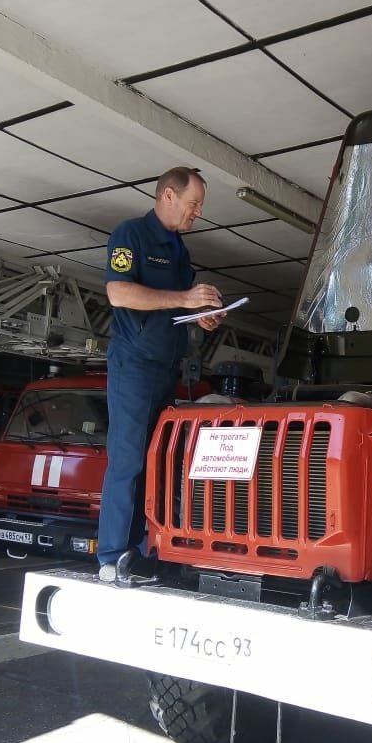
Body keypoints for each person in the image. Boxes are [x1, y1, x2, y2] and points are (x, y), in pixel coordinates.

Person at [97, 167, 226, 583]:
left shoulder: (178, 251)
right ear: (168, 195)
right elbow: (118, 292)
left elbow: (180, 305)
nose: (198, 213)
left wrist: (203, 314)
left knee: (156, 463)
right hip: (133, 365)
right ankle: (112, 556)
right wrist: (184, 297)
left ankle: (140, 550)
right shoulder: (131, 234)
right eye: (194, 204)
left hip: (166, 368)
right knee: (128, 459)